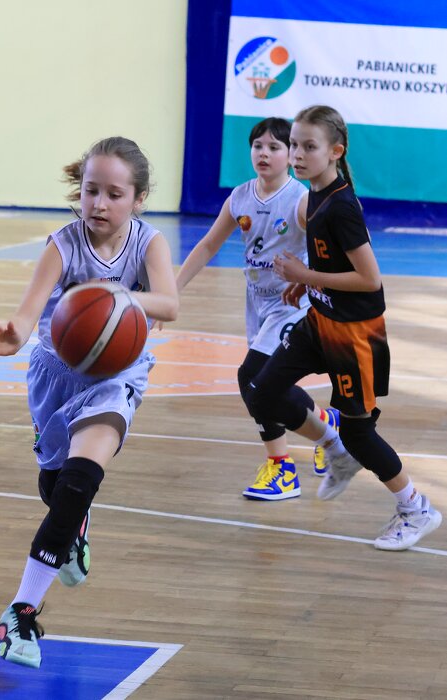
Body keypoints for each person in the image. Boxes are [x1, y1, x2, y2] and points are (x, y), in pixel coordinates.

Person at [0, 136, 179, 668]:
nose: (99, 203)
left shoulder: (149, 243)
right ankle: (76, 526)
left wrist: (114, 300)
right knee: (55, 487)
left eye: (114, 194)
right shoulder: (63, 245)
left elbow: (169, 303)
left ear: (138, 199)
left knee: (79, 483)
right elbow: (27, 315)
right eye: (92, 190)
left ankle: (19, 612)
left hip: (117, 375)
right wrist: (14, 335)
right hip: (56, 373)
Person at [243, 105, 442, 550]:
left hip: (354, 336)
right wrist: (308, 285)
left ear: (335, 151)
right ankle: (336, 452)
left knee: (360, 431)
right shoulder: (315, 193)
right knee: (262, 392)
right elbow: (329, 258)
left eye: (308, 147)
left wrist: (306, 275)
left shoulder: (341, 206)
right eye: (294, 145)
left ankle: (416, 508)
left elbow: (370, 280)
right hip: (320, 320)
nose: (297, 154)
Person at [174, 117, 340, 502]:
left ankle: (282, 468)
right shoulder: (240, 197)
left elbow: (332, 252)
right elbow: (208, 245)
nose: (264, 153)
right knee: (268, 383)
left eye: (274, 147)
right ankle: (325, 422)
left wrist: (310, 280)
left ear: (291, 154)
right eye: (258, 146)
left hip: (293, 305)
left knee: (252, 377)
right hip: (257, 303)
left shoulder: (300, 201)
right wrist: (173, 291)